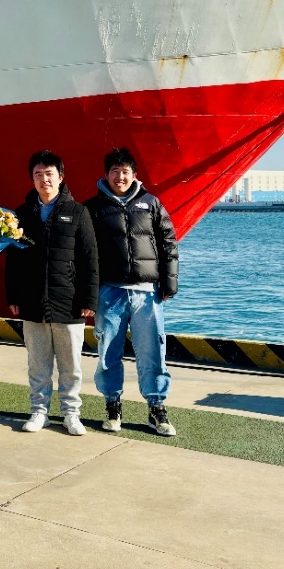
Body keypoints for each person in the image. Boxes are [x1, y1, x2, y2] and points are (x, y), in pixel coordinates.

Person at [85, 147, 180, 436]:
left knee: (153, 352)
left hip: (147, 294)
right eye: (114, 171)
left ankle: (156, 407)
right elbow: (85, 253)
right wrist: (89, 292)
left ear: (134, 174)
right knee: (108, 352)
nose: (120, 177)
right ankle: (112, 405)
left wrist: (169, 282)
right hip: (110, 292)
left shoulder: (151, 203)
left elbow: (168, 242)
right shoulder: (93, 208)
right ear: (106, 174)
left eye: (125, 171)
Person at [6, 150, 98, 436]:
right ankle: (39, 412)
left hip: (69, 302)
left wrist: (89, 299)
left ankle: (71, 414)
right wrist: (13, 296)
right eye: (38, 174)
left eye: (49, 174)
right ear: (32, 179)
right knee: (38, 363)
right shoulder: (22, 214)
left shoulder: (78, 212)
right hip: (32, 300)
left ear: (61, 177)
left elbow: (90, 258)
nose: (44, 179)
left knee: (71, 366)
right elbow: (14, 259)